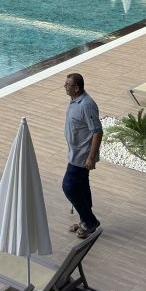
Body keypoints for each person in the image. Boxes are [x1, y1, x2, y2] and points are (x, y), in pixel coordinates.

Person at [62, 72, 102, 238]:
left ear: (77, 88)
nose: (64, 86)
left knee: (69, 187)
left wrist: (91, 157)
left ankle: (90, 221)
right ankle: (85, 221)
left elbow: (97, 132)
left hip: (82, 156)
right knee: (82, 187)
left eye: (67, 84)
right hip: (75, 153)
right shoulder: (75, 100)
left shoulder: (87, 105)